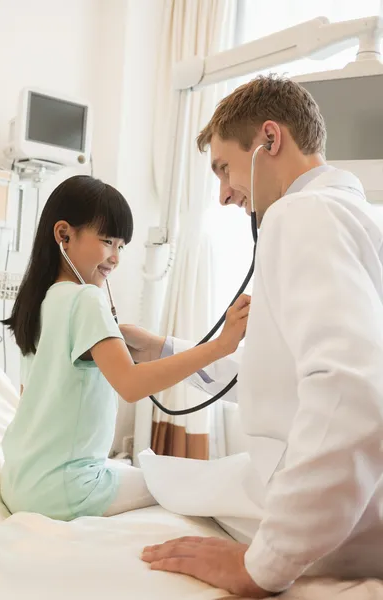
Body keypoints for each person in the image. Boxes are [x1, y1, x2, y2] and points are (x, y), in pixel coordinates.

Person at [121, 75, 383, 597]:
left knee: (154, 476)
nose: (221, 195)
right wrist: (166, 350)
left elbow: (349, 389)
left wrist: (263, 564)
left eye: (223, 168)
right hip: (355, 510)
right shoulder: (361, 218)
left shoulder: (301, 214)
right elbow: (282, 378)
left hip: (332, 527)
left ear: (270, 139)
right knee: (163, 476)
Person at [0, 175, 250, 522]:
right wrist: (221, 346)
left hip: (20, 481)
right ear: (63, 235)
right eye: (107, 242)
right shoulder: (86, 299)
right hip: (63, 492)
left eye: (121, 246)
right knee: (185, 480)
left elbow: (31, 396)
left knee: (146, 470)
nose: (115, 258)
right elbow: (131, 384)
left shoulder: (38, 303)